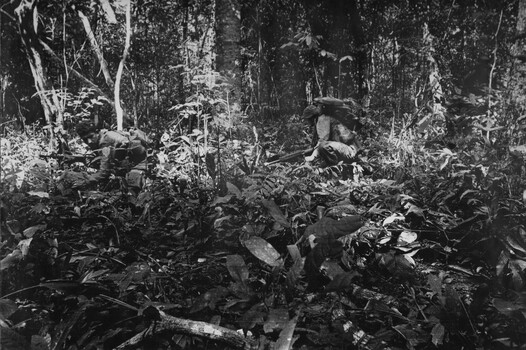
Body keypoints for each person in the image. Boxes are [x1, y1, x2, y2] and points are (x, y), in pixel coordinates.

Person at [69, 122, 150, 191]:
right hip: (137, 165)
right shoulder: (107, 135)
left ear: (97, 132)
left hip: (138, 166)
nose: (89, 141)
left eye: (90, 137)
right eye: (85, 139)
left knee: (132, 196)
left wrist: (87, 181)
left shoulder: (105, 141)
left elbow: (104, 171)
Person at [302, 98, 361, 166]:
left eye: (307, 119)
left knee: (323, 146)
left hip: (351, 150)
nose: (307, 122)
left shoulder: (323, 119)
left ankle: (334, 166)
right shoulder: (319, 121)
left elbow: (323, 141)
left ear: (311, 117)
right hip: (347, 150)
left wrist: (312, 157)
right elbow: (315, 144)